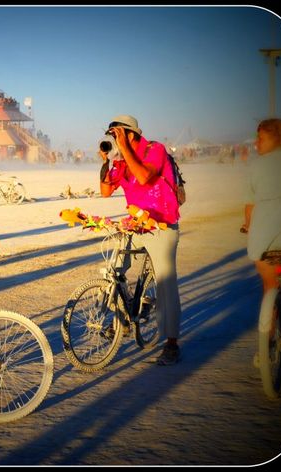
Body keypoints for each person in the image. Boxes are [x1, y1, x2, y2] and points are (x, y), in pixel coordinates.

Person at [98, 115, 183, 366]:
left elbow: (145, 176)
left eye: (118, 135)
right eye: (113, 136)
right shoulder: (122, 160)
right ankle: (122, 320)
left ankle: (171, 342)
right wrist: (106, 162)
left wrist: (124, 148)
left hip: (162, 225)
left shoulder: (154, 150)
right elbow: (105, 191)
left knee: (165, 280)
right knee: (114, 268)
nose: (115, 140)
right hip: (137, 225)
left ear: (131, 134)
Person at [241, 118, 281, 293]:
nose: (256, 143)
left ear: (278, 138)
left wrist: (247, 225)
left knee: (270, 286)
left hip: (264, 241)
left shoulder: (256, 165)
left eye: (261, 139)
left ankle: (270, 315)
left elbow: (250, 206)